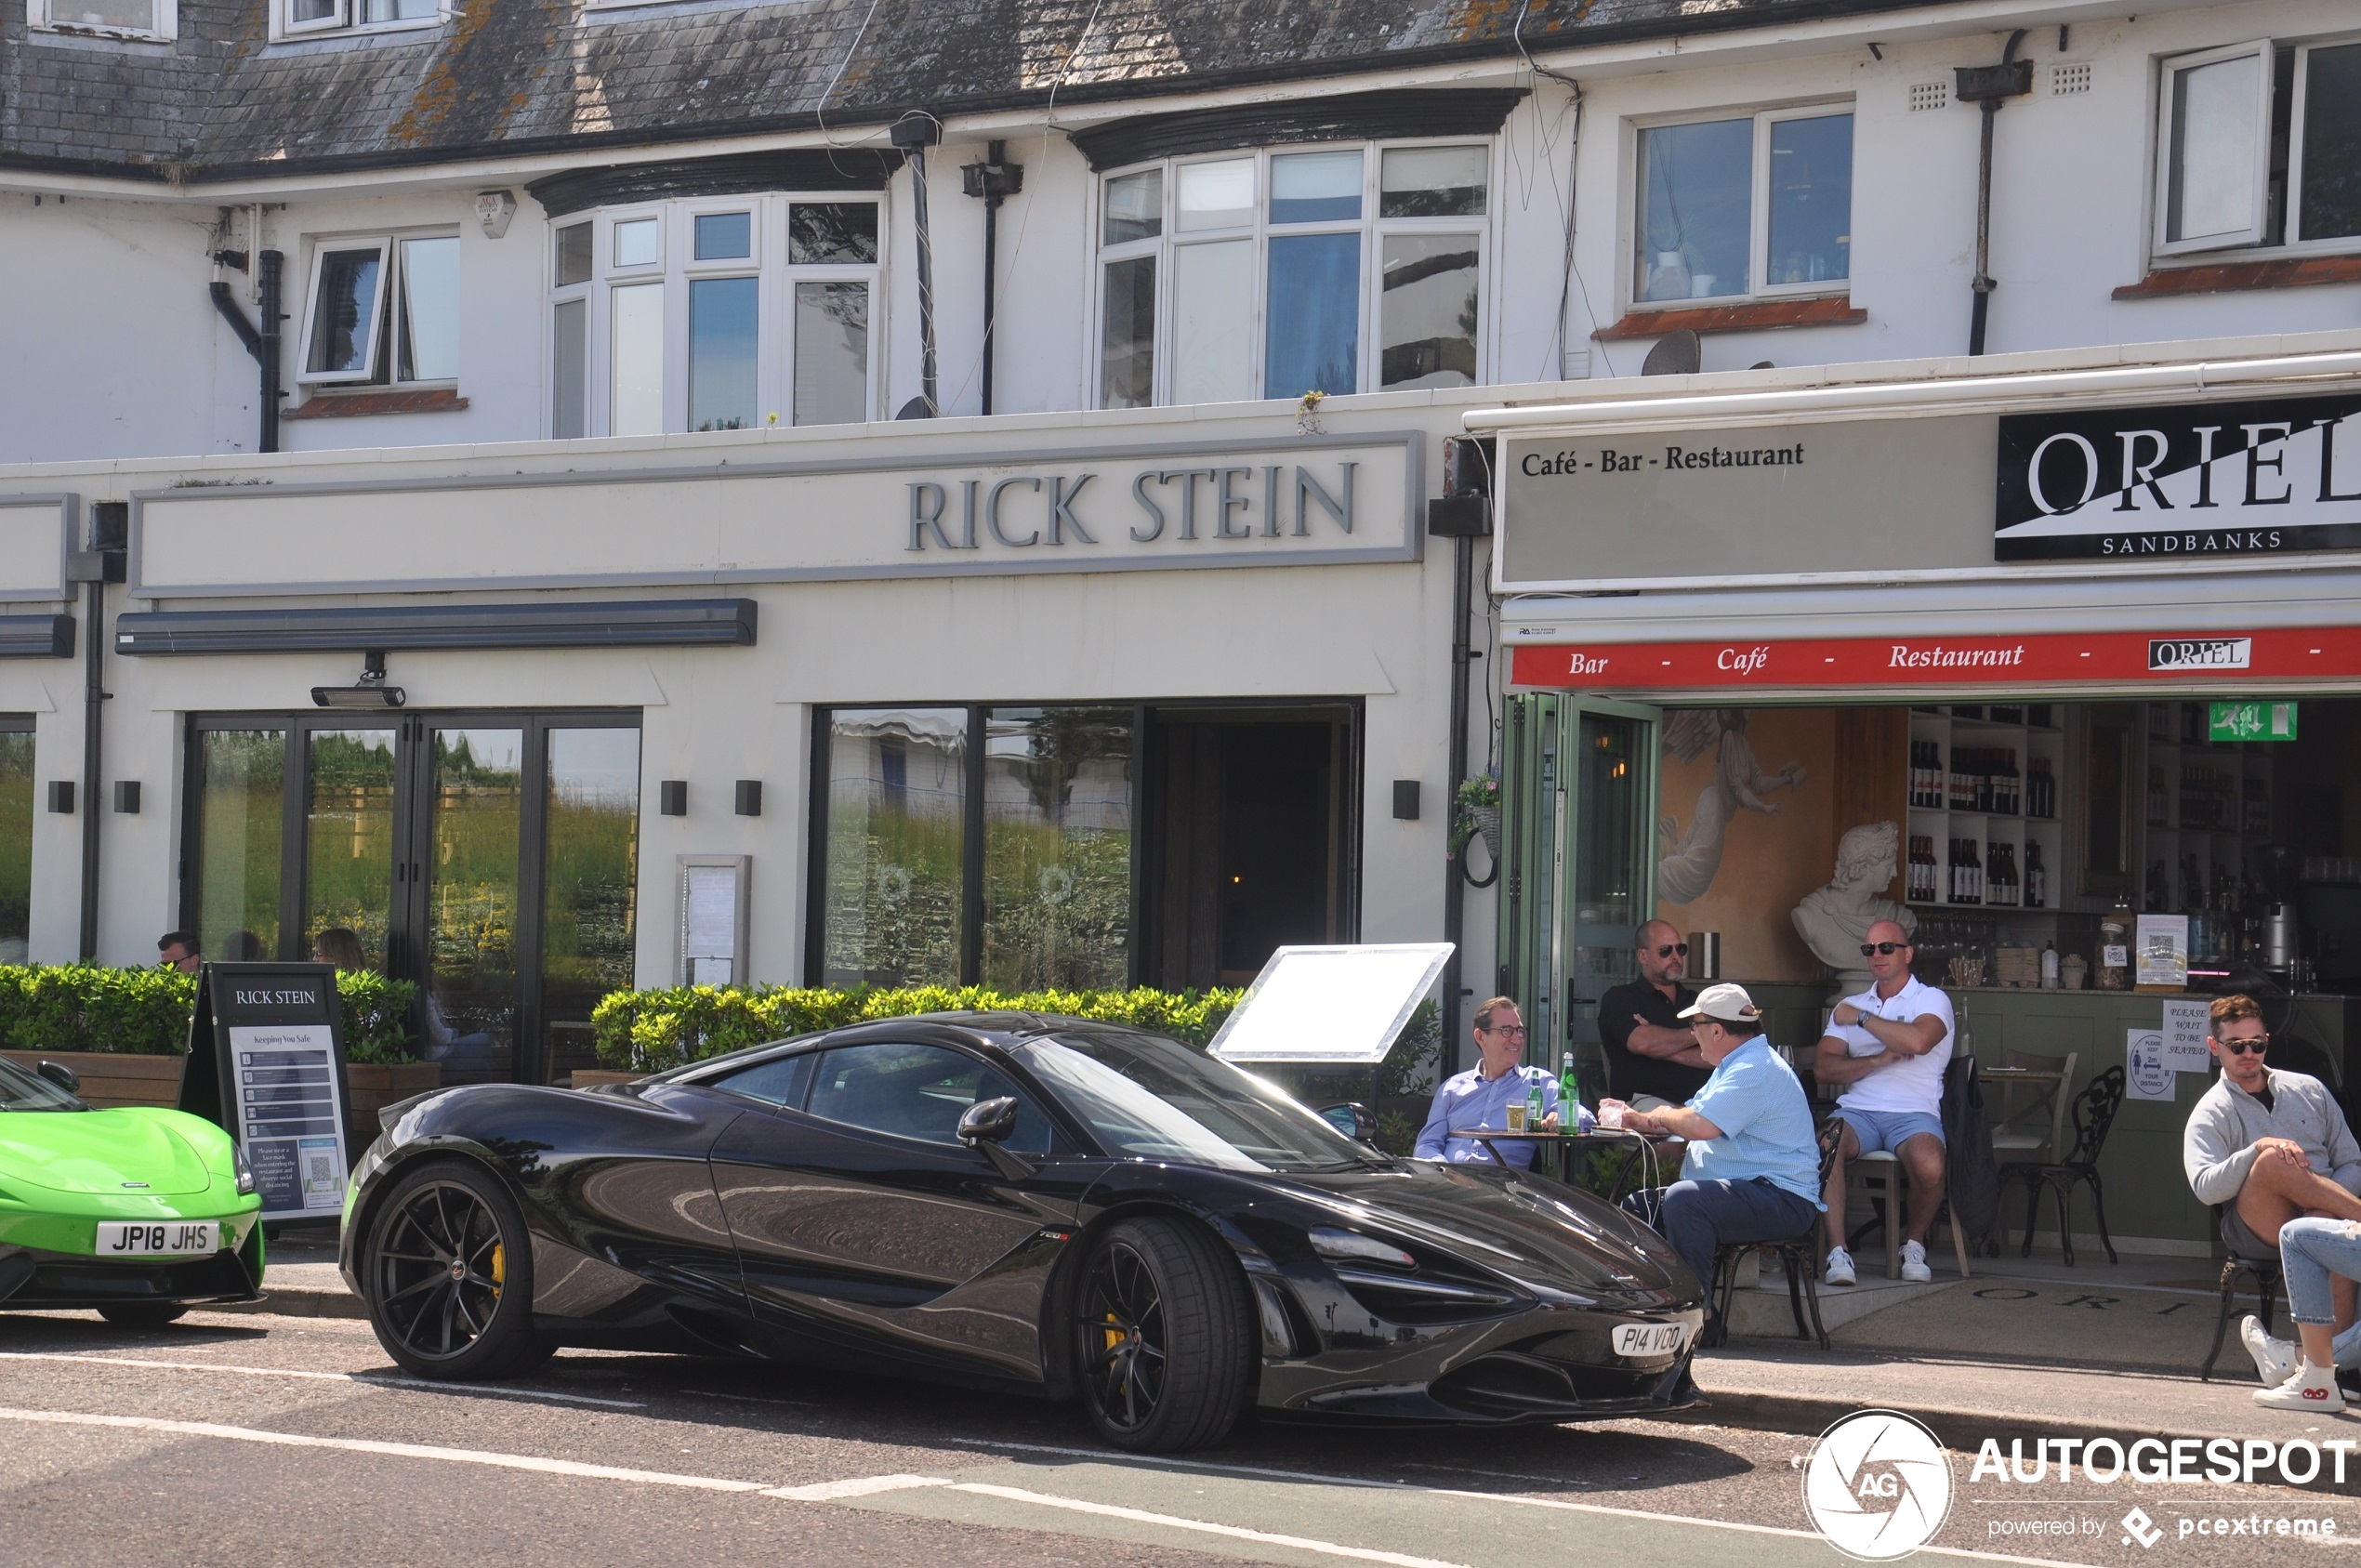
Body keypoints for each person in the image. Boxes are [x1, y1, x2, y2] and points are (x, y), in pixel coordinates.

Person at [1603, 982, 1822, 1309]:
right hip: (1756, 1189)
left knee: (1685, 1200)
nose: (1692, 1032)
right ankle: (1642, 1305)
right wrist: (1637, 1119)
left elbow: (1700, 1125)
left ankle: (1696, 1312)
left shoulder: (1753, 1068)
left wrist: (1659, 1113)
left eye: (1695, 1025)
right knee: (1638, 1207)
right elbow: (1690, 1114)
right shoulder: (1735, 1065)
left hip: (1782, 1198)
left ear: (1717, 1030)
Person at [2183, 993, 2361, 1394]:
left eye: (2256, 1044)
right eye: (2237, 1046)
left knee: (2328, 1227)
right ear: (2215, 1047)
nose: (2249, 1053)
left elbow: (2352, 1160)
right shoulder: (2211, 1110)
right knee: (2271, 1160)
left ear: (2267, 1040)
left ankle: (2333, 1370)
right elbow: (2206, 1187)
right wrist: (2256, 1149)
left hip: (2324, 1212)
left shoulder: (2309, 1089)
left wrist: (2324, 1199)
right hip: (2259, 1224)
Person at [1815, 920, 1954, 1286]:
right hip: (1858, 1110)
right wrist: (1877, 1061)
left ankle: (1914, 1242)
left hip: (1914, 1113)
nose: (1877, 955)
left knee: (1930, 1163)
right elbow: (1824, 1068)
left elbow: (1919, 1041)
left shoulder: (1931, 998)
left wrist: (1862, 1020)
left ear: (1907, 953)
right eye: (1869, 949)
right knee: (1827, 1144)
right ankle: (1838, 1252)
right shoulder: (1850, 1004)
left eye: (1886, 947)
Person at [1414, 997, 1562, 1169]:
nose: (1517, 1039)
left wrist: (1561, 1117)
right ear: (1480, 1036)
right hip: (1451, 1186)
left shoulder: (1536, 1082)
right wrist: (1446, 1173)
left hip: (1503, 1187)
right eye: (1506, 1030)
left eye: (1520, 1030)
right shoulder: (1452, 1088)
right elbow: (1427, 1144)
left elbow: (1582, 1116)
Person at [1598, 919, 1709, 1111]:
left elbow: (1717, 1055)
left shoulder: (1698, 1002)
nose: (1675, 956)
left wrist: (1662, 1051)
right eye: (1666, 950)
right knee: (1672, 1133)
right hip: (1644, 1101)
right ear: (1643, 956)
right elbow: (1642, 1042)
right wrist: (1700, 1031)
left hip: (1702, 1100)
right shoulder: (1621, 998)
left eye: (1680, 949)